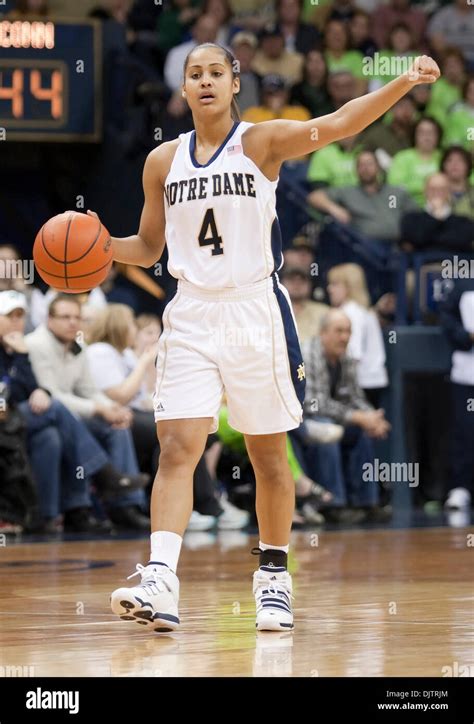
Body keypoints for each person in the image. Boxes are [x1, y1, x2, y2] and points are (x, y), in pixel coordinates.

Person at [92, 42, 439, 633]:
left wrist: (403, 82)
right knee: (178, 447)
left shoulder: (261, 142)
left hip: (255, 310)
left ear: (234, 85)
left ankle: (273, 580)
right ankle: (160, 578)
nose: (204, 82)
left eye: (215, 73)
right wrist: (100, 245)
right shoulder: (161, 162)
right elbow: (148, 248)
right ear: (183, 91)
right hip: (192, 312)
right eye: (193, 74)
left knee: (268, 456)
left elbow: (339, 122)